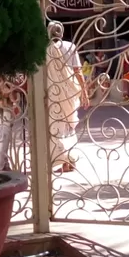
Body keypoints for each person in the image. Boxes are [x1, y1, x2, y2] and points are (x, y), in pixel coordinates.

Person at [45, 20, 85, 174]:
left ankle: (63, 161)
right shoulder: (70, 46)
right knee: (69, 126)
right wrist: (84, 91)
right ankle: (70, 160)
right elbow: (78, 71)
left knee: (57, 127)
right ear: (61, 32)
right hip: (70, 92)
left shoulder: (45, 50)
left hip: (53, 92)